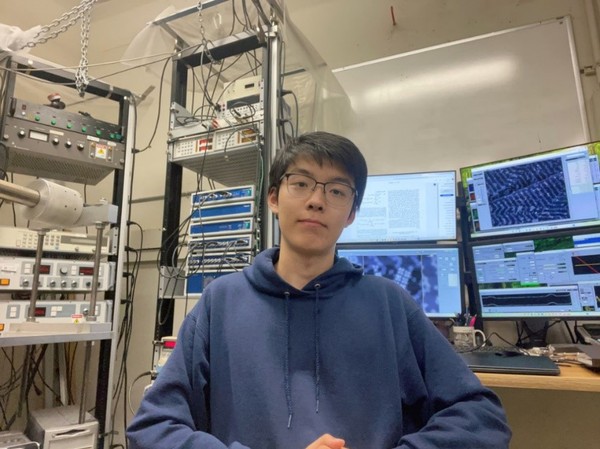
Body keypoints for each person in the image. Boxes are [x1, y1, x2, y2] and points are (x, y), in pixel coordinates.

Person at [127, 131, 511, 449]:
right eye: (301, 183)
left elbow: (481, 417)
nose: (316, 201)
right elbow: (153, 426)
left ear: (352, 213)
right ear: (273, 198)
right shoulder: (221, 302)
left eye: (337, 191)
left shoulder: (389, 303)